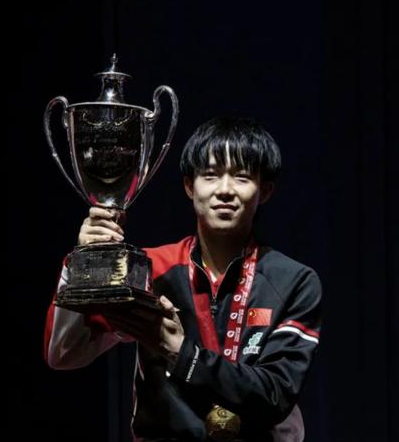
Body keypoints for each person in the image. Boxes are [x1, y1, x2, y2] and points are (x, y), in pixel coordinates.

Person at [43, 117, 322, 441]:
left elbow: (275, 397)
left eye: (242, 177)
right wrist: (83, 264)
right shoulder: (149, 270)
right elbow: (64, 354)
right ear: (189, 186)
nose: (225, 190)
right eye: (211, 175)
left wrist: (180, 352)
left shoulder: (294, 281)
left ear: (266, 190)